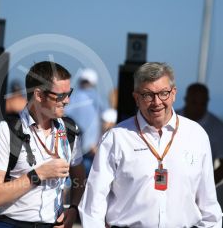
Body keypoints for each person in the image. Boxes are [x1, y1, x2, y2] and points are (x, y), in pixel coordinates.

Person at [79, 62, 222, 227]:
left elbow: (209, 206)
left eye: (163, 93)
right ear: (136, 98)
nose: (157, 102)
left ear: (173, 94)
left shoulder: (196, 135)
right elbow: (93, 203)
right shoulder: (116, 138)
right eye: (148, 95)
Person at [0, 61, 86, 227]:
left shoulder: (70, 130)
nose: (67, 101)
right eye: (60, 95)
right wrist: (38, 174)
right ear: (39, 95)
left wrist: (73, 208)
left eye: (69, 93)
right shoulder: (6, 131)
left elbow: (79, 178)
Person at [177, 83, 223, 184]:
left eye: (202, 103)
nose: (198, 107)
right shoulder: (168, 120)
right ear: (186, 99)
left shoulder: (218, 128)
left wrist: (205, 187)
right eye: (194, 102)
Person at [65, 68, 107, 177]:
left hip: (78, 150)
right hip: (88, 150)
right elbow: (105, 121)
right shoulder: (95, 98)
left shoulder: (73, 97)